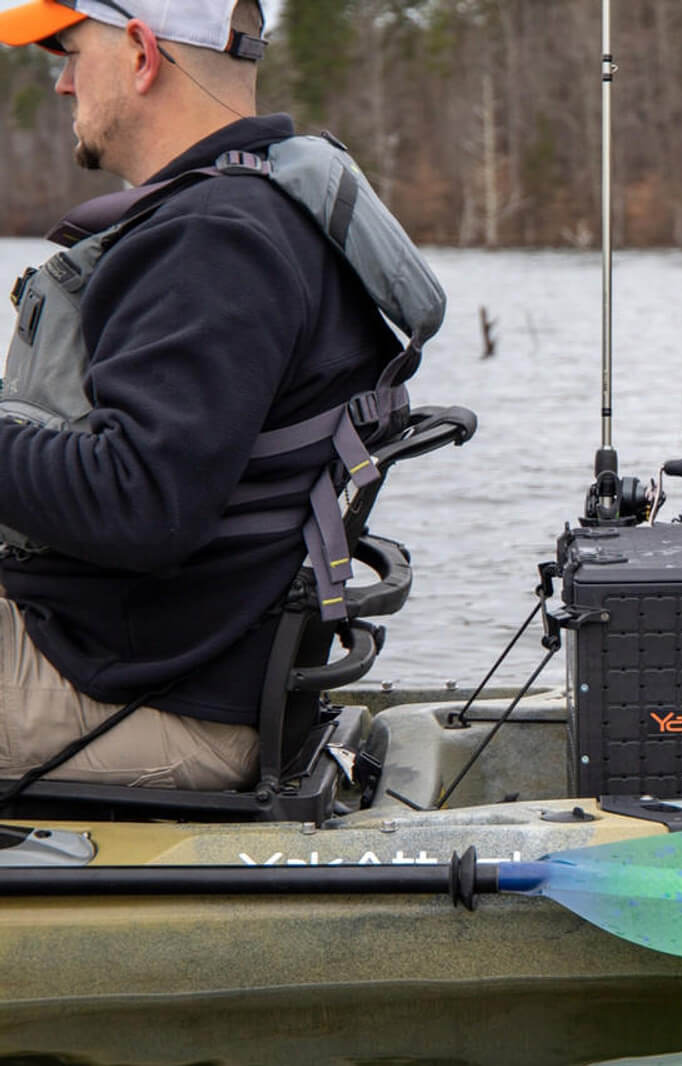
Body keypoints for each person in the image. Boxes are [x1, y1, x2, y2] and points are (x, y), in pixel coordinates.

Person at [0, 0, 422, 792]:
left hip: (145, 695)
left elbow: (138, 502)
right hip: (154, 657)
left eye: (72, 53)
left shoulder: (213, 240)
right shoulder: (263, 206)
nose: (62, 83)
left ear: (139, 53)